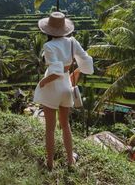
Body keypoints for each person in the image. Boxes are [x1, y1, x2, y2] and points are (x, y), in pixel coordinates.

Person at [33, 12, 94, 171]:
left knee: (50, 128)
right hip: (66, 86)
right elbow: (86, 61)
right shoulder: (72, 42)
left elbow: (55, 72)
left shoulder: (49, 46)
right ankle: (70, 161)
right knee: (65, 125)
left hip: (53, 88)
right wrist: (77, 71)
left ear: (47, 30)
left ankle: (50, 164)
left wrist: (42, 82)